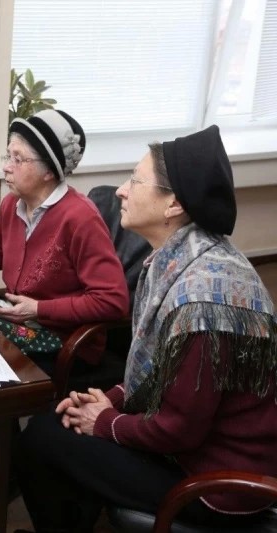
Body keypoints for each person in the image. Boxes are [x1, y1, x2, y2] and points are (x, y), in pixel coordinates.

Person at [16, 125, 277, 532]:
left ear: (173, 204)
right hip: (191, 445)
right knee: (57, 421)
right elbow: (163, 375)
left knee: (43, 441)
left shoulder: (203, 301)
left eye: (135, 181)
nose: (120, 190)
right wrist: (113, 398)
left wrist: (103, 421)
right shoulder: (178, 260)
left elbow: (178, 430)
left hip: (212, 482)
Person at [0, 109, 128, 362]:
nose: (6, 167)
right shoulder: (12, 203)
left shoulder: (81, 218)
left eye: (18, 159)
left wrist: (38, 309)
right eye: (8, 155)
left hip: (66, 343)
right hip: (18, 320)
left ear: (49, 172)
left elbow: (113, 301)